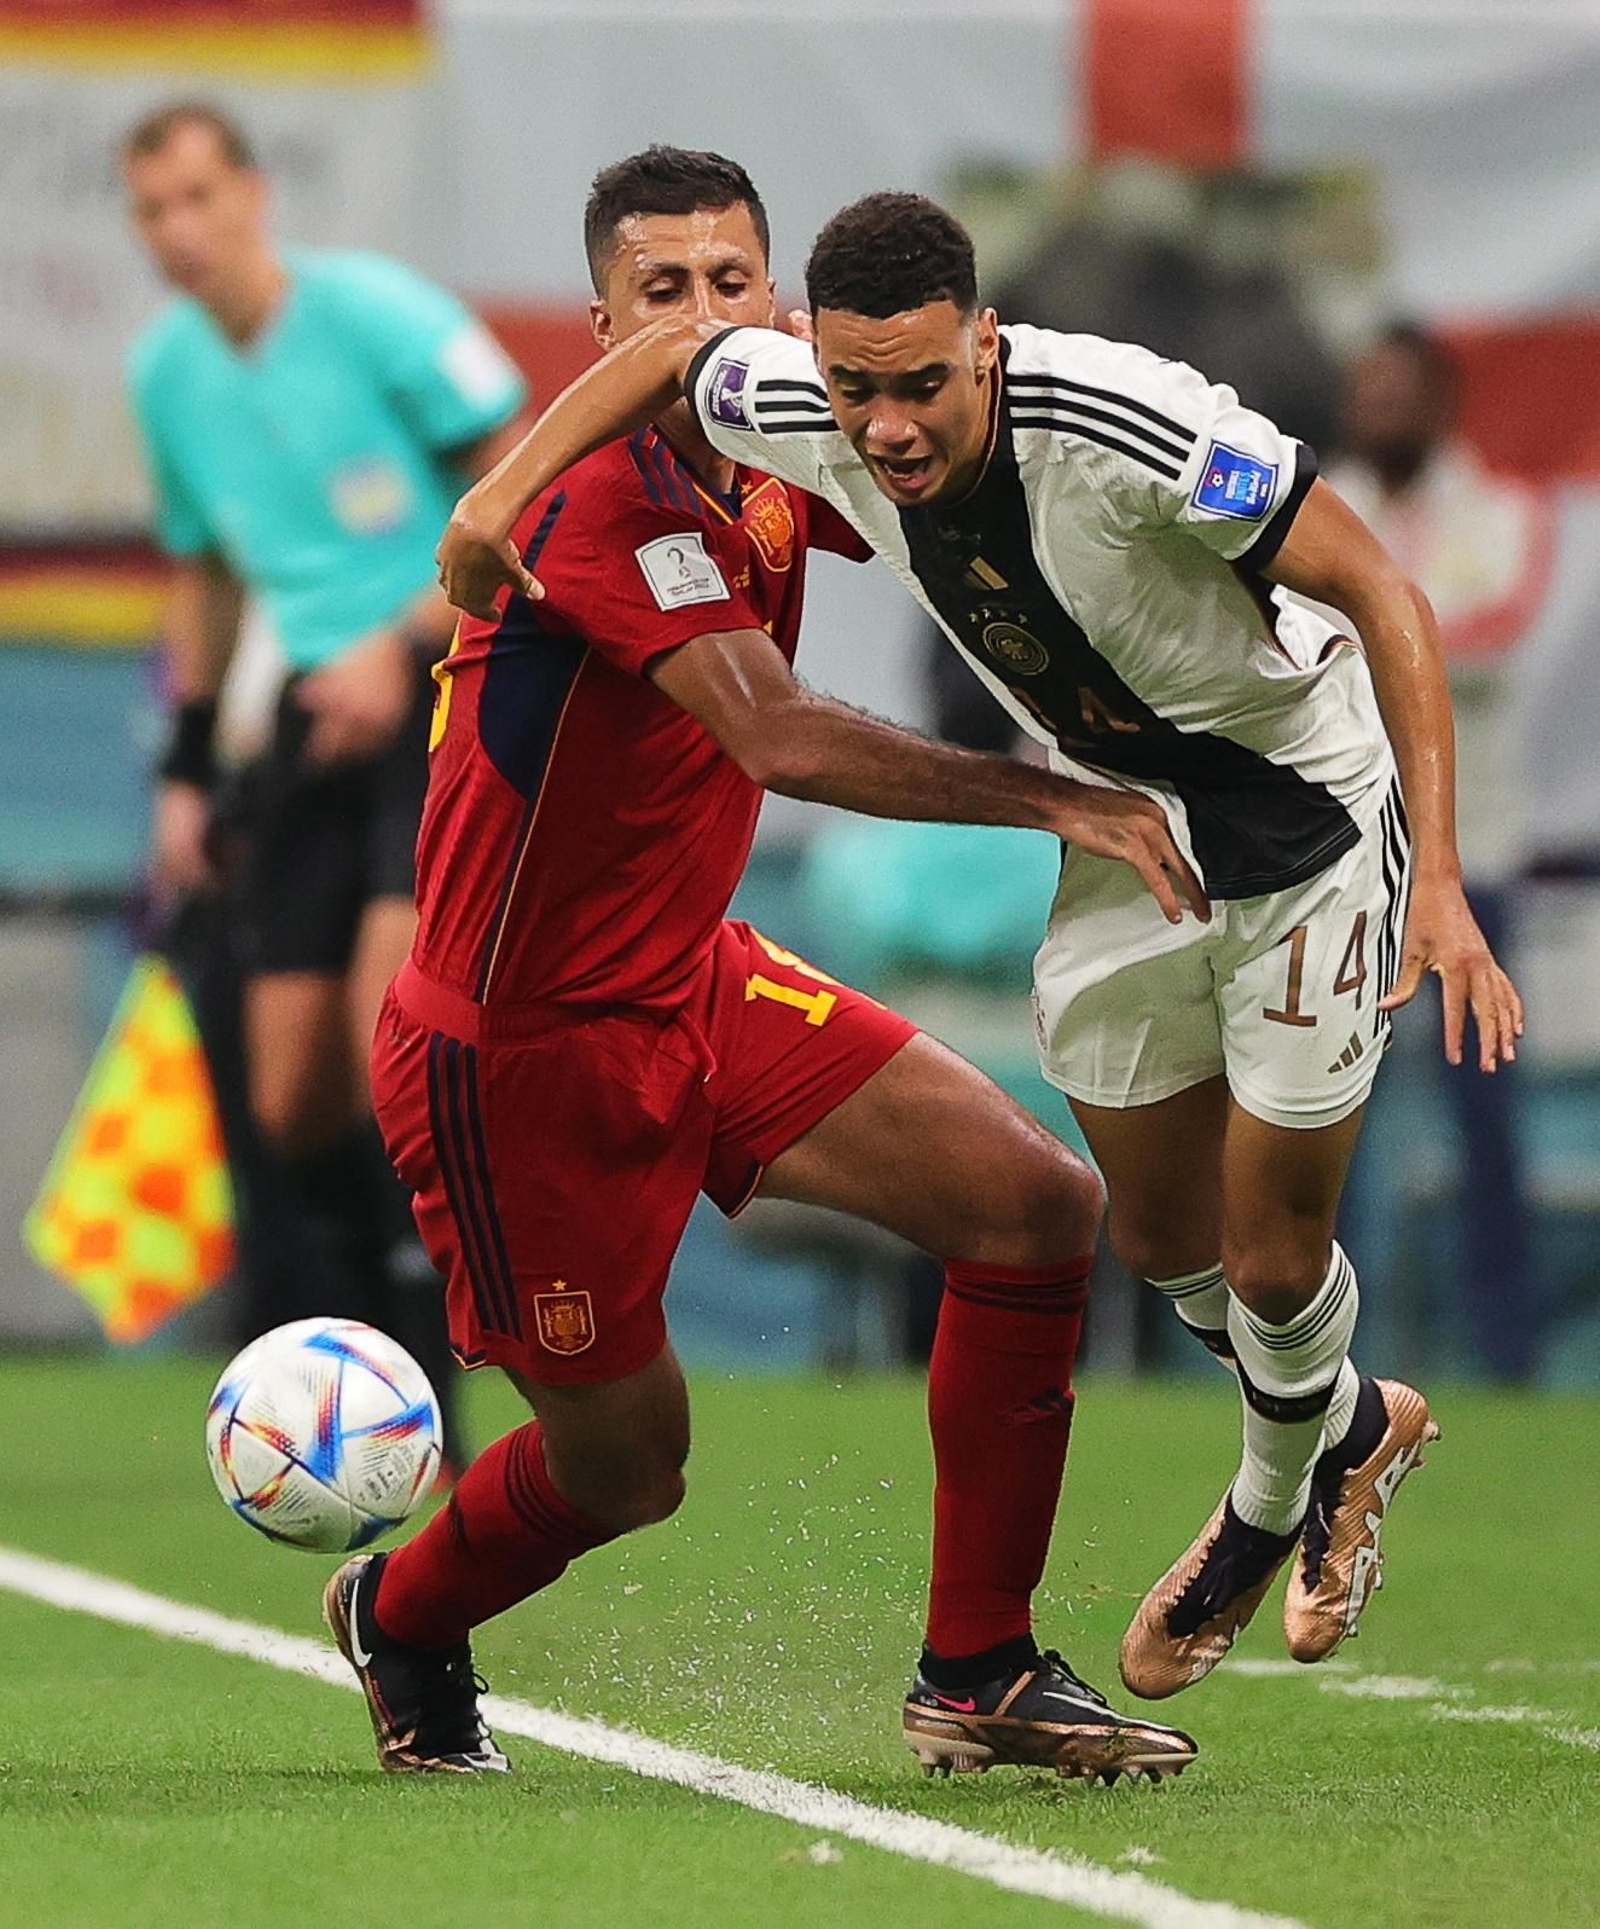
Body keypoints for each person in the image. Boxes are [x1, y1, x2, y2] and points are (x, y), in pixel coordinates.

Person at [439, 190, 1523, 1704]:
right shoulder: (797, 395)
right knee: (1151, 1236)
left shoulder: (1132, 423)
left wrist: (1446, 879)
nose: (884, 428)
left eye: (924, 386)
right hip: (1124, 810)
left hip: (1301, 811)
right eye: (855, 386)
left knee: (1270, 1250)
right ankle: (1353, 1423)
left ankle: (1268, 1508)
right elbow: (677, 360)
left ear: (989, 348)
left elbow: (1383, 589)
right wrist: (497, 498)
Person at [323, 147, 1206, 1783]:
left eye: (735, 284)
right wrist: (1066, 797)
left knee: (1033, 1203)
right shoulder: (596, 501)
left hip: (696, 979)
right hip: (519, 1058)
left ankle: (978, 1665)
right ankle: (404, 1605)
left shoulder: (778, 445)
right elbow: (780, 736)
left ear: (781, 303)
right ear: (603, 327)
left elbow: (956, 489)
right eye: (663, 293)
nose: (706, 320)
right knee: (628, 1461)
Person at [123, 103, 530, 1461]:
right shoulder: (168, 374)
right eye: (153, 209)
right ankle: (374, 1394)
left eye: (197, 196)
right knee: (291, 1098)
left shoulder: (374, 316)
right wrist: (187, 770)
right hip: (306, 732)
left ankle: (446, 1391)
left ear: (250, 191)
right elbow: (210, 573)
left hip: (434, 705)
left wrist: (405, 632)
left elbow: (524, 477)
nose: (180, 231)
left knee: (389, 1054)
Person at [1328, 323, 1548, 1383]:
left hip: (1472, 874)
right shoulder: (1326, 505)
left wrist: (1372, 629)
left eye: (1394, 389)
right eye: (1363, 388)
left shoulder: (1503, 512)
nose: (1375, 408)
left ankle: (1506, 1356)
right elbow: (1288, 641)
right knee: (1329, 1123)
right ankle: (1327, 1363)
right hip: (1355, 865)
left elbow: (1492, 629)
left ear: (1439, 403)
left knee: (1485, 1127)